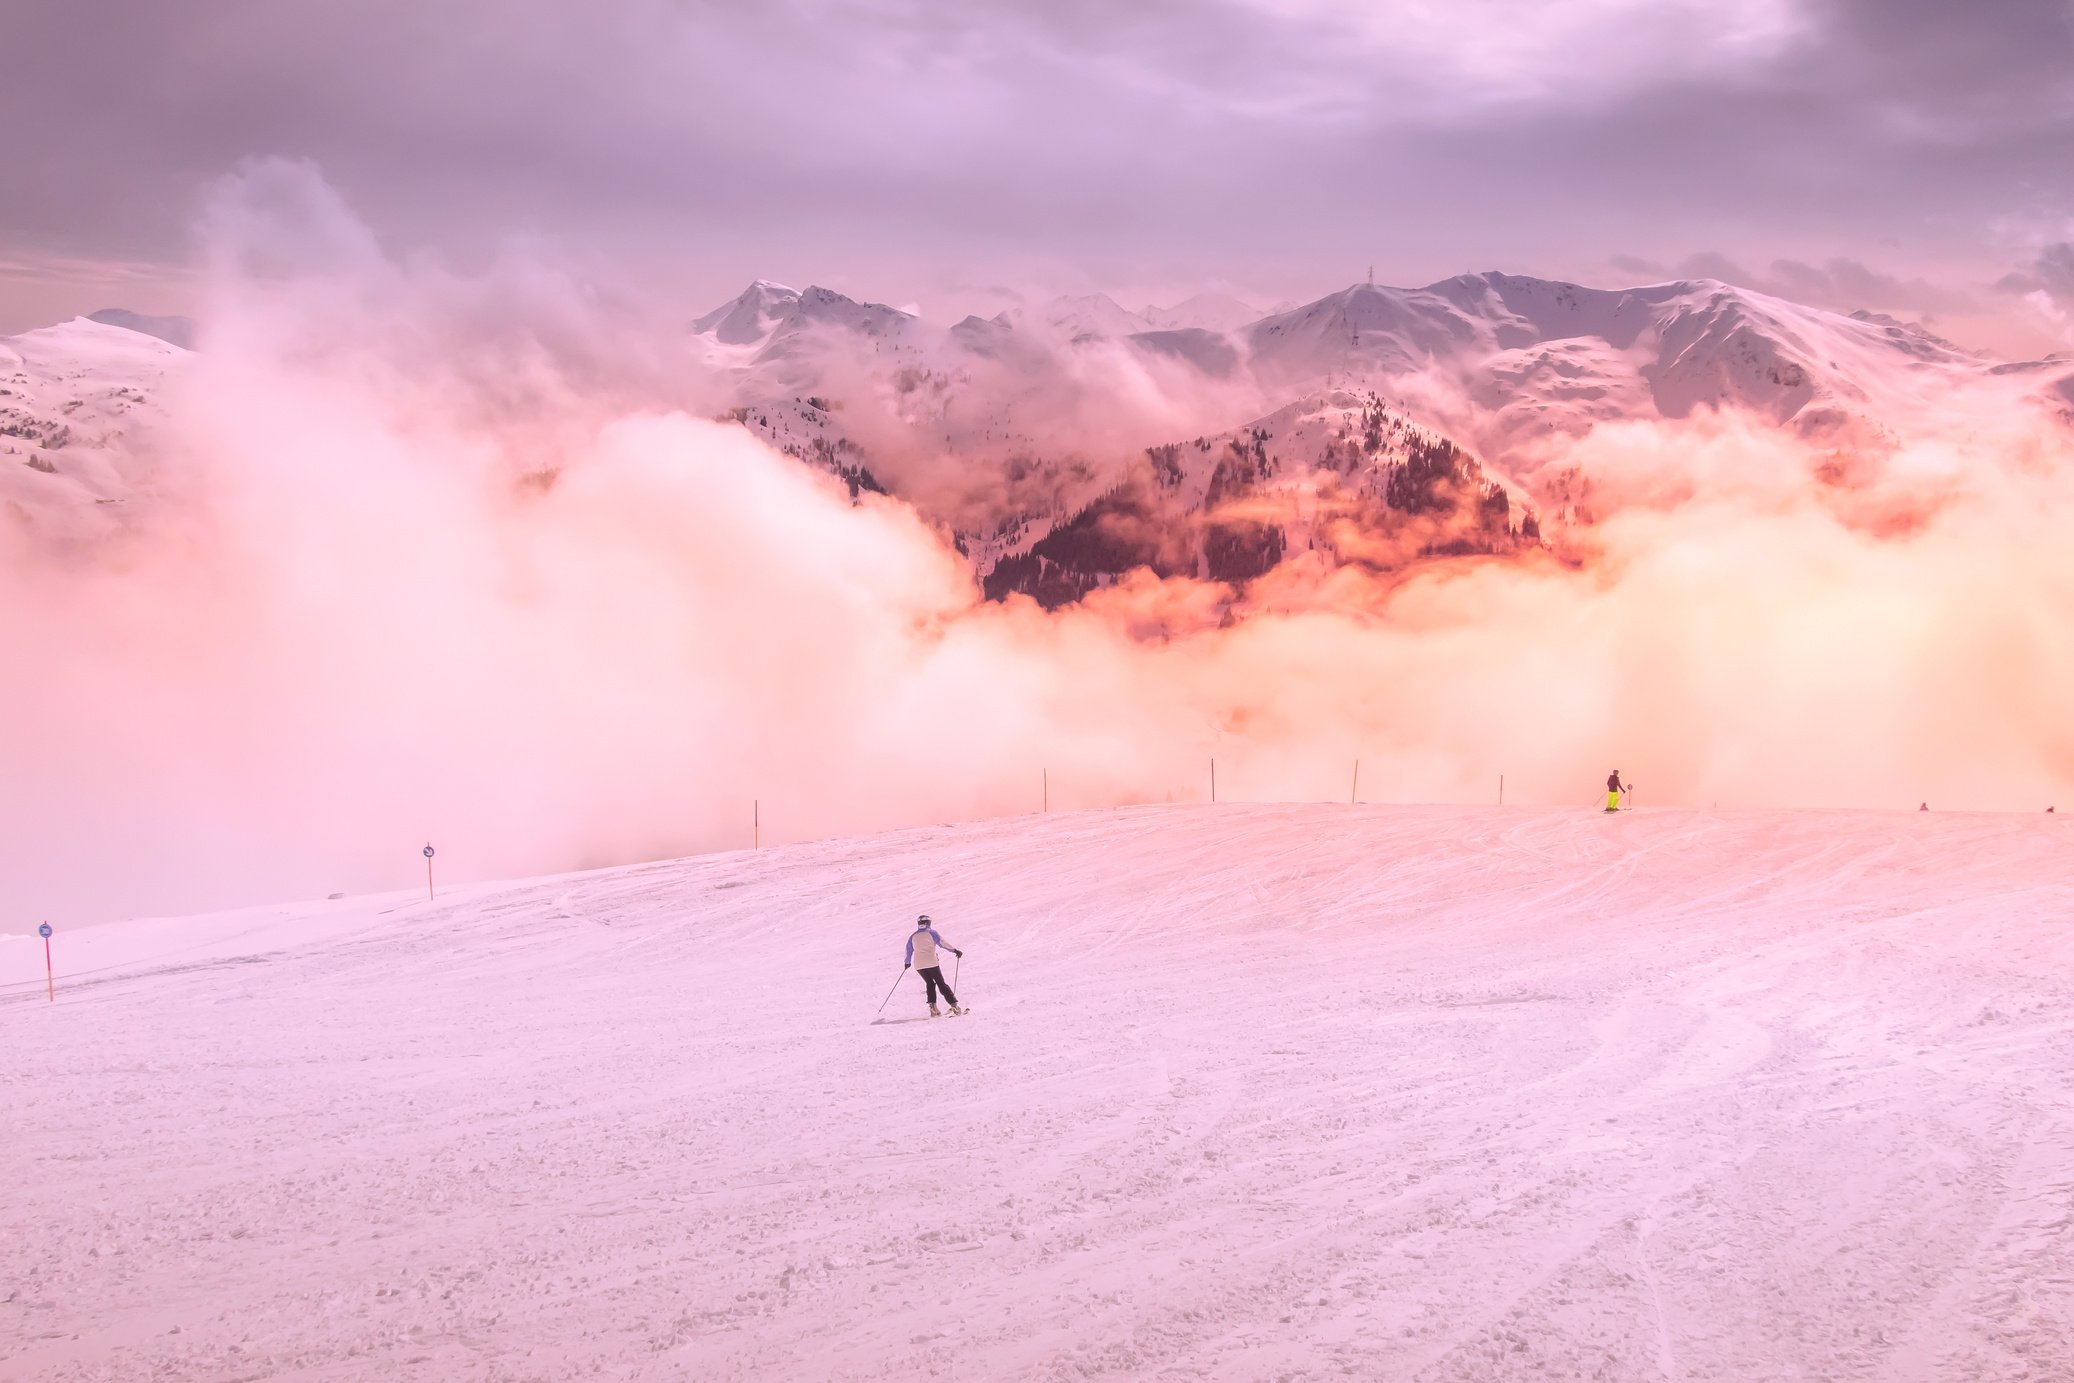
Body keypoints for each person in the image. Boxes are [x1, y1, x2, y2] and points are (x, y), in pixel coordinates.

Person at [904, 914, 963, 1016]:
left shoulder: (913, 936)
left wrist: (907, 962)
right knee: (941, 983)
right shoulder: (931, 933)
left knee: (930, 983)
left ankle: (933, 1008)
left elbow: (908, 950)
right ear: (928, 923)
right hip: (931, 962)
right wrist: (955, 950)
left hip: (919, 965)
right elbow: (942, 943)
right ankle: (954, 1006)